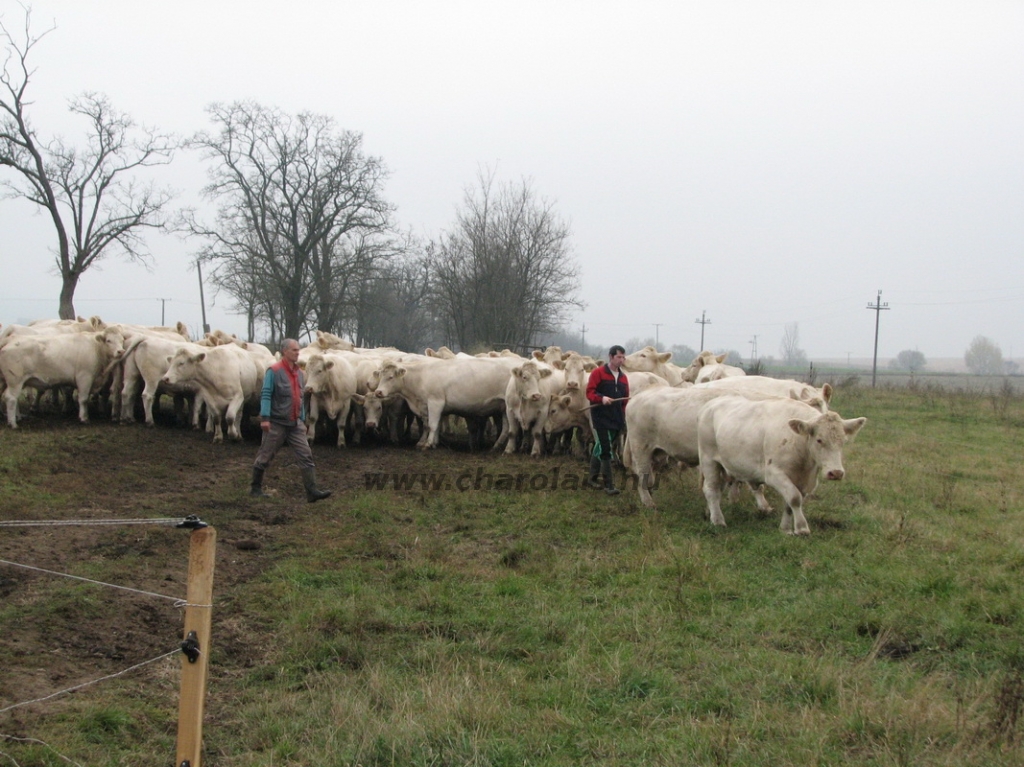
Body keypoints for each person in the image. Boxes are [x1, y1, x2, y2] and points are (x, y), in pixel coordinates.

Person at [250, 338, 332, 502]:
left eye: (298, 350)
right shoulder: (273, 371)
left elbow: (300, 398)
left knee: (305, 454)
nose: (297, 353)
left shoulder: (300, 374)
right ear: (285, 351)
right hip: (276, 422)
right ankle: (255, 488)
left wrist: (302, 419)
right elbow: (266, 395)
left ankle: (312, 491)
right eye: (294, 350)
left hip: (295, 424)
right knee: (265, 455)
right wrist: (265, 418)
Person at [585, 344, 629, 495]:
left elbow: (624, 402)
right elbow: (589, 393)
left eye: (623, 357)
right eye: (618, 357)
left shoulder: (623, 378)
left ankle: (591, 479)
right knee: (605, 449)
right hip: (601, 416)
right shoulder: (598, 373)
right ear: (610, 357)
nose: (621, 360)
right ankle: (609, 485)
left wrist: (623, 416)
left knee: (602, 446)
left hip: (616, 418)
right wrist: (601, 398)